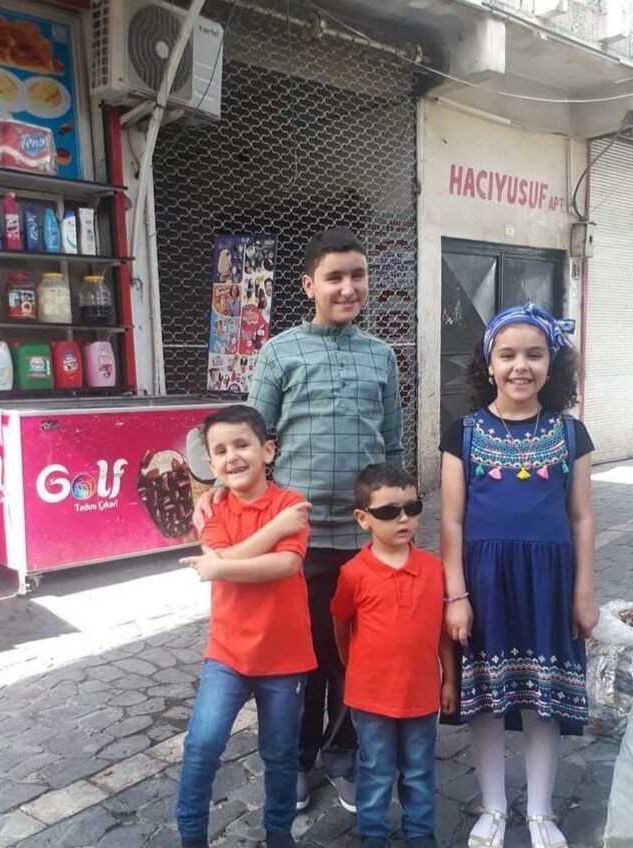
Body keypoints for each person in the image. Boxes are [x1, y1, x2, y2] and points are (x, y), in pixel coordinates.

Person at [194, 227, 404, 813]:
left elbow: (392, 445)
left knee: (358, 656)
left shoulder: (382, 356)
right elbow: (246, 434)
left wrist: (397, 517)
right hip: (298, 538)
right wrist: (212, 489)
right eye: (334, 277)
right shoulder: (281, 352)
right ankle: (298, 761)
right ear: (309, 285)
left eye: (357, 276)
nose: (348, 287)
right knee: (304, 658)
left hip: (364, 537)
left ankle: (345, 756)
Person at [439, 304, 598, 848]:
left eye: (534, 354)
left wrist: (584, 591)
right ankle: (492, 806)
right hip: (484, 584)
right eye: (507, 355)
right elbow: (451, 520)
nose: (520, 366)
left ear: (553, 364)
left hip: (550, 585)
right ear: (489, 364)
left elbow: (581, 517)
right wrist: (456, 595)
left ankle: (540, 811)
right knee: (486, 698)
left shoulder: (571, 433)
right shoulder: (462, 433)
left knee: (543, 701)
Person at [176, 405, 316, 848]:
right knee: (202, 745)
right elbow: (217, 561)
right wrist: (272, 531)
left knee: (280, 754)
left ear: (267, 450)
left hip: (284, 657)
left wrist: (221, 565)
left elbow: (284, 564)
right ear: (211, 463)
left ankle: (279, 833)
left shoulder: (291, 504)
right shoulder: (213, 511)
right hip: (228, 655)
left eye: (242, 445)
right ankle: (191, 836)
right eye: (220, 451)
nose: (232, 456)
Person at [331, 463, 457, 848]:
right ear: (363, 518)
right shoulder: (353, 573)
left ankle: (420, 834)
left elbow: (440, 631)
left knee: (419, 771)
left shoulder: (433, 569)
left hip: (421, 695)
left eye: (412, 508)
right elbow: (341, 625)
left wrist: (449, 679)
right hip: (370, 698)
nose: (403, 518)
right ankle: (373, 834)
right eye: (389, 511)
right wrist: (353, 668)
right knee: (375, 770)